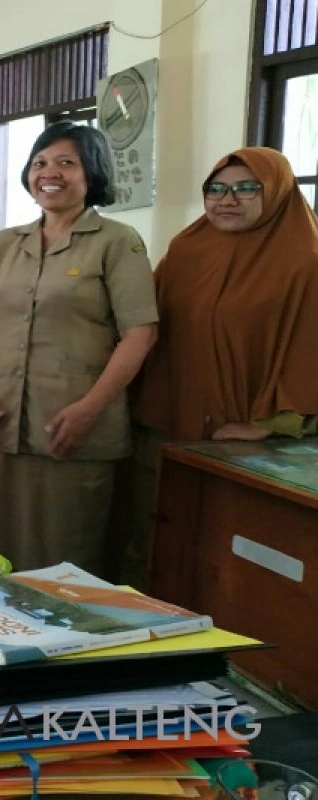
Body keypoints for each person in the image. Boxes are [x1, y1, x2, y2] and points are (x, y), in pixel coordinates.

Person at [0, 122, 158, 578]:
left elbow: (140, 334)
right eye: (40, 162)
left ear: (92, 173)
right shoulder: (8, 242)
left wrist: (90, 409)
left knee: (66, 564)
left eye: (66, 162)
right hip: (3, 423)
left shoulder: (116, 241)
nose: (49, 172)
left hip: (73, 426)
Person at [126, 146, 318, 584]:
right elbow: (147, 327)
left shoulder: (306, 260)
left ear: (278, 192)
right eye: (217, 188)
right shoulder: (187, 249)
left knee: (226, 561)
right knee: (153, 536)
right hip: (165, 424)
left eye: (247, 188)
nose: (228, 199)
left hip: (246, 446)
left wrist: (271, 423)